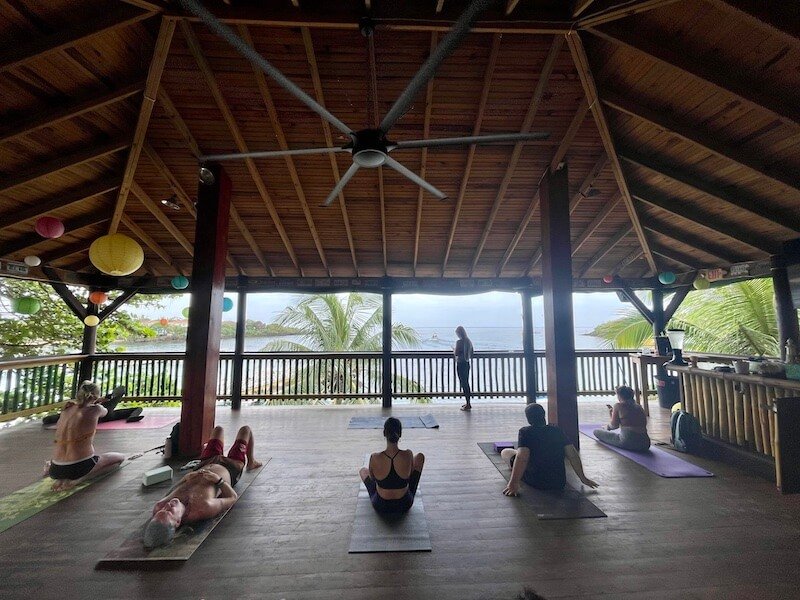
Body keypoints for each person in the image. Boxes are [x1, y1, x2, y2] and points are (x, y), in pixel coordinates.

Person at [143, 425, 262, 548]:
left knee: (218, 429)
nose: (167, 505)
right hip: (230, 467)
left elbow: (175, 488)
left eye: (163, 510)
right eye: (170, 511)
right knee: (245, 430)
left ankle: (242, 459)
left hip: (205, 463)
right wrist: (218, 480)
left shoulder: (159, 506)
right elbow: (232, 497)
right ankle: (251, 462)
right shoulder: (203, 507)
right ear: (178, 522)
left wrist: (185, 478)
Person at [501, 403, 598, 496]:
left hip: (536, 481)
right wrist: (583, 478)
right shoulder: (557, 430)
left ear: (528, 419)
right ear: (544, 415)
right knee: (520, 452)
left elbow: (522, 458)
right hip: (558, 482)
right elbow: (572, 455)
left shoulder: (525, 432)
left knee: (506, 452)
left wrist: (513, 483)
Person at [45, 381, 125, 491]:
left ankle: (57, 475)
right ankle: (80, 479)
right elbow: (107, 410)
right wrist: (102, 401)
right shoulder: (97, 409)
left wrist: (96, 400)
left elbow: (82, 406)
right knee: (119, 458)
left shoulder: (67, 408)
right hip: (79, 468)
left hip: (55, 469)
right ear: (96, 396)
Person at [358, 417, 425, 514]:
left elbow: (373, 479)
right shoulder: (408, 454)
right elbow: (410, 475)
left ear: (384, 433)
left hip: (381, 506)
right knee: (420, 457)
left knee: (363, 471)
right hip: (404, 504)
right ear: (400, 434)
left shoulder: (375, 457)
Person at [42, 385, 142, 425]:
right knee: (136, 407)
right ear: (94, 397)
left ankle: (110, 397)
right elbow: (102, 409)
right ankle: (132, 416)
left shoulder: (71, 408)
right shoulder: (97, 409)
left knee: (49, 419)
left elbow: (46, 420)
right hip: (104, 415)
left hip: (90, 412)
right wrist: (104, 401)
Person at [593, 385, 651, 451]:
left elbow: (614, 426)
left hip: (628, 441)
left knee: (596, 431)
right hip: (645, 443)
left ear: (620, 396)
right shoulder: (638, 407)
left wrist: (606, 427)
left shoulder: (618, 406)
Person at [454, 325, 474, 411]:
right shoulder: (469, 341)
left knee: (463, 383)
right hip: (467, 364)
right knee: (466, 383)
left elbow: (456, 353)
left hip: (460, 364)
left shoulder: (459, 342)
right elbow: (472, 352)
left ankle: (468, 404)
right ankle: (468, 402)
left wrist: (454, 350)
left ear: (459, 333)